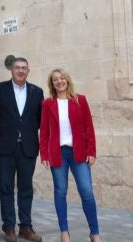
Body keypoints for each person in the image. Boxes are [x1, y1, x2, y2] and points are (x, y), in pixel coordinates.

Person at [40, 69, 101, 242]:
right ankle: (64, 232)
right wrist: (44, 154)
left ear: (67, 80)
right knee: (60, 191)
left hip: (78, 152)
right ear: (52, 84)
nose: (59, 81)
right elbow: (44, 131)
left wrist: (91, 151)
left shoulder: (80, 100)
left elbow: (89, 127)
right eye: (55, 79)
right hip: (58, 153)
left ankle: (95, 233)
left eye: (62, 78)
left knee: (87, 191)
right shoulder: (47, 104)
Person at [0, 57, 44, 242]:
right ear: (11, 70)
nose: (20, 70)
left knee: (26, 188)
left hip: (28, 148)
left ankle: (26, 227)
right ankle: (9, 227)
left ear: (28, 71)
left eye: (24, 68)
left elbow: (40, 120)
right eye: (17, 67)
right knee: (6, 188)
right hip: (6, 147)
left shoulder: (37, 92)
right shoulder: (0, 89)